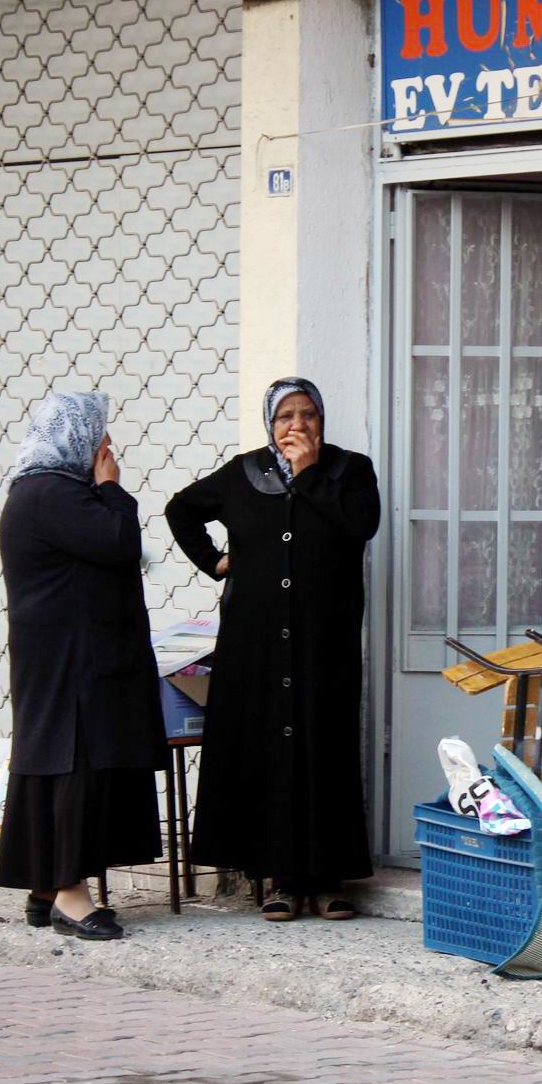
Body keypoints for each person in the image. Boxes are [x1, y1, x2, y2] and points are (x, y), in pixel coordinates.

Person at [166, 377, 381, 922]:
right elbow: (180, 509)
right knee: (271, 752)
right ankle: (280, 879)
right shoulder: (243, 473)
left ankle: (329, 878)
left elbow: (362, 525)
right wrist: (214, 562)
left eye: (308, 414)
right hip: (254, 643)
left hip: (321, 641)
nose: (297, 426)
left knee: (322, 748)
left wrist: (308, 476)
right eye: (285, 416)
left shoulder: (348, 470)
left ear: (321, 421)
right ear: (270, 423)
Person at [0, 389, 168, 941]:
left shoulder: (42, 491)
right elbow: (120, 542)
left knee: (56, 761)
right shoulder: (53, 494)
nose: (108, 446)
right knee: (75, 764)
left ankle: (45, 887)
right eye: (100, 434)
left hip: (65, 657)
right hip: (72, 662)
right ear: (77, 437)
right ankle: (71, 894)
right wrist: (113, 487)